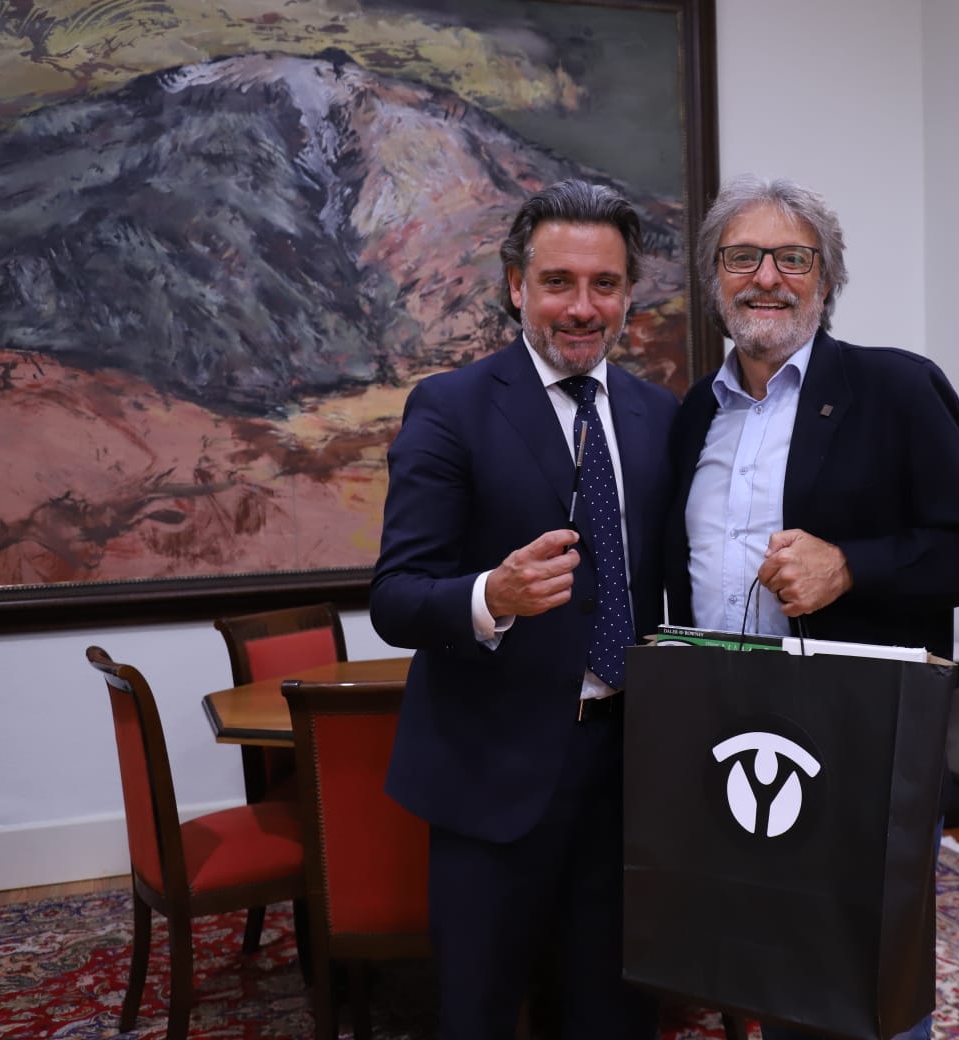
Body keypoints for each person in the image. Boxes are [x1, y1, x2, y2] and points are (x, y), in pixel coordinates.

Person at [665, 175, 959, 1040]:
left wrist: (852, 566)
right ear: (714, 278)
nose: (766, 278)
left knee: (861, 987)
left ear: (827, 279)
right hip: (725, 737)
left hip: (861, 740)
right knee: (754, 960)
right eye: (742, 257)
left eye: (794, 258)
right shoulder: (692, 415)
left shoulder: (896, 389)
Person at [372, 179, 675, 1040]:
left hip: (631, 775)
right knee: (480, 1015)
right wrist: (489, 597)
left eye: (605, 284)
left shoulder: (659, 414)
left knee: (616, 1017)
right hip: (493, 776)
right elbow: (396, 598)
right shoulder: (451, 408)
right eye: (558, 282)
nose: (582, 307)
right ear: (516, 286)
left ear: (628, 292)